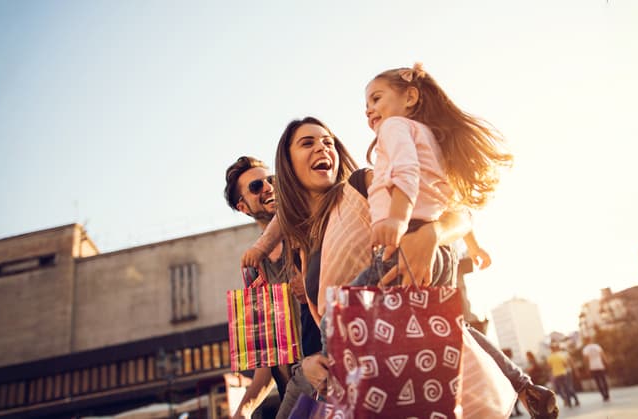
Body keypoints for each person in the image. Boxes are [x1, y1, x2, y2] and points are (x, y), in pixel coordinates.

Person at [251, 116, 558, 419]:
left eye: (328, 142)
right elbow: (331, 330)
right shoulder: (303, 245)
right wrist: (310, 365)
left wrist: (433, 233)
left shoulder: (361, 185)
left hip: (411, 361)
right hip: (365, 379)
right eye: (308, 143)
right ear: (288, 165)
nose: (322, 148)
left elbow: (458, 212)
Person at [354, 62, 512, 286]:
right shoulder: (433, 142)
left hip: (406, 242)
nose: (368, 109)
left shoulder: (394, 126)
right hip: (444, 257)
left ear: (410, 97)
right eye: (366, 105)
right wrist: (474, 247)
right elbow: (452, 204)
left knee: (342, 314)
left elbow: (405, 170)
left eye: (376, 99)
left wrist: (398, 219)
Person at [223, 156, 319, 419]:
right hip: (296, 393)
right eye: (256, 186)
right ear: (243, 206)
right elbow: (269, 358)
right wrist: (244, 409)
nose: (268, 187)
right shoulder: (254, 270)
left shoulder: (309, 231)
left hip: (328, 374)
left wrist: (312, 284)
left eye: (271, 180)